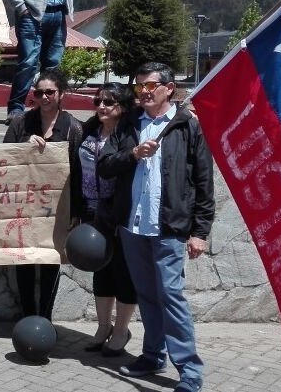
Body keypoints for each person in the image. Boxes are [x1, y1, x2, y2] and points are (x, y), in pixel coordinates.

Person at [98, 62, 214, 392]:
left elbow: (204, 182)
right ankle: (152, 355)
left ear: (168, 88)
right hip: (134, 227)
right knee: (147, 296)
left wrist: (200, 231)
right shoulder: (129, 124)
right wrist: (132, 154)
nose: (144, 93)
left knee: (171, 296)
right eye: (138, 88)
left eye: (150, 87)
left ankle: (189, 370)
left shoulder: (186, 126)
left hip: (170, 227)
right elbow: (106, 165)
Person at [3, 68, 82, 321]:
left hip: (58, 208)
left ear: (61, 94)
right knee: (24, 262)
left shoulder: (73, 128)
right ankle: (27, 316)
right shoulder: (20, 123)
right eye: (39, 92)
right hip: (24, 207)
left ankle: (45, 317)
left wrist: (76, 212)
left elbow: (81, 173)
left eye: (50, 92)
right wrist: (23, 149)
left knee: (50, 262)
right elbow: (3, 161)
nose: (44, 97)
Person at [73, 83, 138, 356]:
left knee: (123, 273)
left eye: (108, 102)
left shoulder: (129, 133)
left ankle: (121, 329)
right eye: (98, 101)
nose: (101, 107)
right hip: (92, 210)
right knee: (101, 270)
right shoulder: (89, 129)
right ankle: (102, 327)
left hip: (120, 212)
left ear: (121, 106)